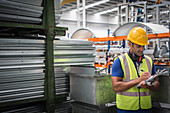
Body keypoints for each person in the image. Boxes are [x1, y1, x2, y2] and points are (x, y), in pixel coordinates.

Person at [111, 27, 159, 113]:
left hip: (146, 108)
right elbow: (116, 87)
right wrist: (138, 80)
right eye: (138, 46)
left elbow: (157, 85)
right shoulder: (120, 61)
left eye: (143, 46)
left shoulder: (149, 61)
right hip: (126, 109)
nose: (141, 49)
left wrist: (148, 85)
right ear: (130, 44)